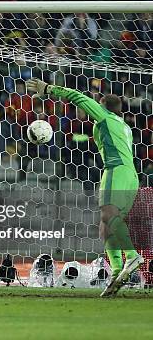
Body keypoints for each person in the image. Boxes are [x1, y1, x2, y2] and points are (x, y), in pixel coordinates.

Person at [26, 78, 143, 297]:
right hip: (132, 176)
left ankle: (132, 256)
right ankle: (118, 271)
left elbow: (78, 98)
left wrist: (48, 89)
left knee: (109, 215)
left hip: (116, 170)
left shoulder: (105, 118)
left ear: (102, 105)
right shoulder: (124, 126)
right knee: (106, 225)